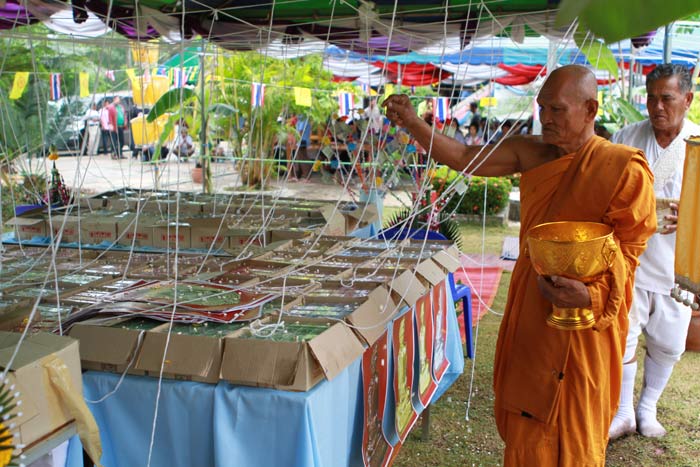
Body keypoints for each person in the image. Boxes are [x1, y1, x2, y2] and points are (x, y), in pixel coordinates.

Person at [383, 64, 656, 466]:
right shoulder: (531, 152)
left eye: (557, 110)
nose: (546, 118)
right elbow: (463, 156)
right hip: (535, 308)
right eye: (542, 107)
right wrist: (411, 123)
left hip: (584, 327)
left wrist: (590, 295)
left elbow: (629, 255)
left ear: (590, 110)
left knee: (576, 434)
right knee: (528, 428)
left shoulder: (622, 168)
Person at [608, 64, 700, 441]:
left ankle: (649, 408)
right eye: (651, 98)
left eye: (667, 98)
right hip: (632, 260)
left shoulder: (698, 143)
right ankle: (625, 411)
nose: (657, 106)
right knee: (624, 335)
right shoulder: (625, 138)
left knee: (670, 342)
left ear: (688, 99)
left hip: (677, 264)